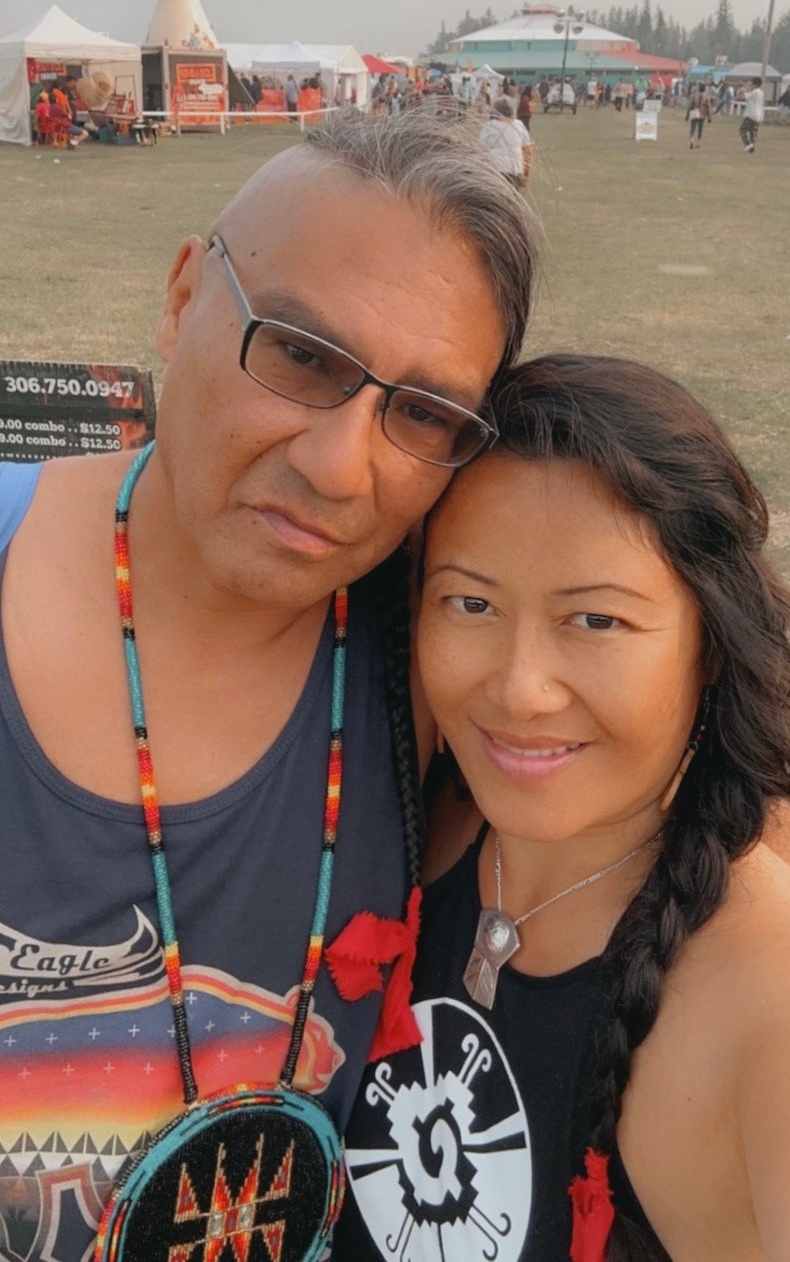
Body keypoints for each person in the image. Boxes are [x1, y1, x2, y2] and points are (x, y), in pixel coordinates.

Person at [0, 113, 537, 1262]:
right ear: (187, 290)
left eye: (421, 414)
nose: (339, 465)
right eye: (298, 351)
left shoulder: (448, 667)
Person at [335, 353, 790, 1260]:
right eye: (470, 602)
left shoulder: (767, 1000)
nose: (520, 690)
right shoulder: (412, 826)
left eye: (596, 620)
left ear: (711, 642)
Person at [478, 95, 532, 189]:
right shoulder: (519, 126)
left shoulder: (489, 127)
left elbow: (480, 150)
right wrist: (526, 173)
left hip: (495, 171)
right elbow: (527, 151)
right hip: (515, 171)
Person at [740, 76, 764, 153]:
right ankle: (751, 148)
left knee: (742, 130)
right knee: (752, 132)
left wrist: (744, 89)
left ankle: (748, 145)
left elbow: (744, 96)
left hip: (751, 114)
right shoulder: (760, 92)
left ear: (756, 84)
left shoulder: (755, 92)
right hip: (757, 115)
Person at [686, 80, 712, 149]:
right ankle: (698, 143)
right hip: (702, 115)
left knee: (693, 128)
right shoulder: (706, 97)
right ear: (705, 89)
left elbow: (690, 106)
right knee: (700, 129)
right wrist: (709, 117)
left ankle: (691, 141)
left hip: (694, 114)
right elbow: (708, 107)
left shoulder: (694, 96)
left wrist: (687, 115)